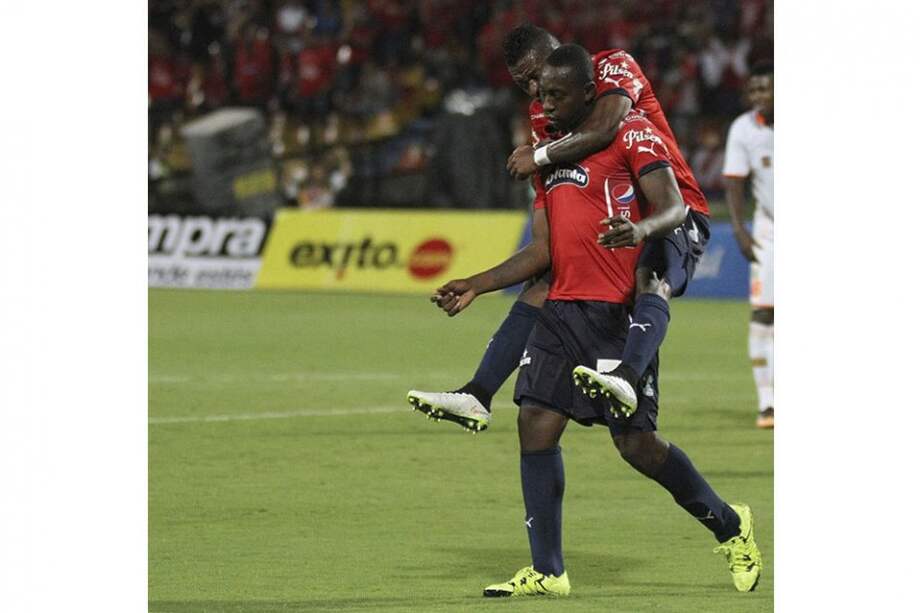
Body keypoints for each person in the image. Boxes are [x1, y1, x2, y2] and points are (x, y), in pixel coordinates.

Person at [430, 44, 762, 597]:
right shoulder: (553, 154)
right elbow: (543, 251)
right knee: (534, 423)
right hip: (567, 305)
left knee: (637, 446)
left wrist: (639, 230)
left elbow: (673, 206)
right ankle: (548, 570)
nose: (541, 101)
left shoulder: (629, 130)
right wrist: (478, 284)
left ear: (588, 91)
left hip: (620, 303)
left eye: (553, 91)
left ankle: (730, 525)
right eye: (535, 91)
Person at [407, 24, 710, 430]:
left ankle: (627, 376)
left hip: (671, 205)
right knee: (546, 283)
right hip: (612, 214)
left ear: (558, 53)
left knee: (650, 274)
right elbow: (552, 216)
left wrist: (541, 155)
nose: (534, 91)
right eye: (525, 84)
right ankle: (477, 393)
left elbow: (604, 126)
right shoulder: (543, 112)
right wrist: (480, 283)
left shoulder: (614, 67)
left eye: (538, 76)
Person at [722, 62, 774, 429]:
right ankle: (768, 403)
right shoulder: (743, 128)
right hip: (771, 233)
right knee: (765, 313)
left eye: (764, 89)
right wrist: (740, 229)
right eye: (753, 91)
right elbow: (734, 184)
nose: (758, 97)